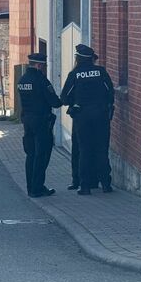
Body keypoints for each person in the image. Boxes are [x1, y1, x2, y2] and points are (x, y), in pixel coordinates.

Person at [60, 44, 114, 195]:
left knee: (84, 150)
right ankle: (106, 184)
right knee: (102, 149)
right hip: (101, 117)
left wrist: (74, 103)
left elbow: (64, 98)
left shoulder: (75, 74)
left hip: (82, 118)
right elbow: (110, 93)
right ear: (91, 59)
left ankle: (84, 186)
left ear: (78, 59)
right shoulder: (101, 72)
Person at [17, 53, 62, 197]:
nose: (44, 68)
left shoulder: (22, 79)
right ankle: (38, 188)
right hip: (41, 122)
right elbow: (54, 102)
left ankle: (31, 187)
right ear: (38, 65)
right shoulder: (41, 80)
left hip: (27, 121)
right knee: (41, 155)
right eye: (44, 66)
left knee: (30, 154)